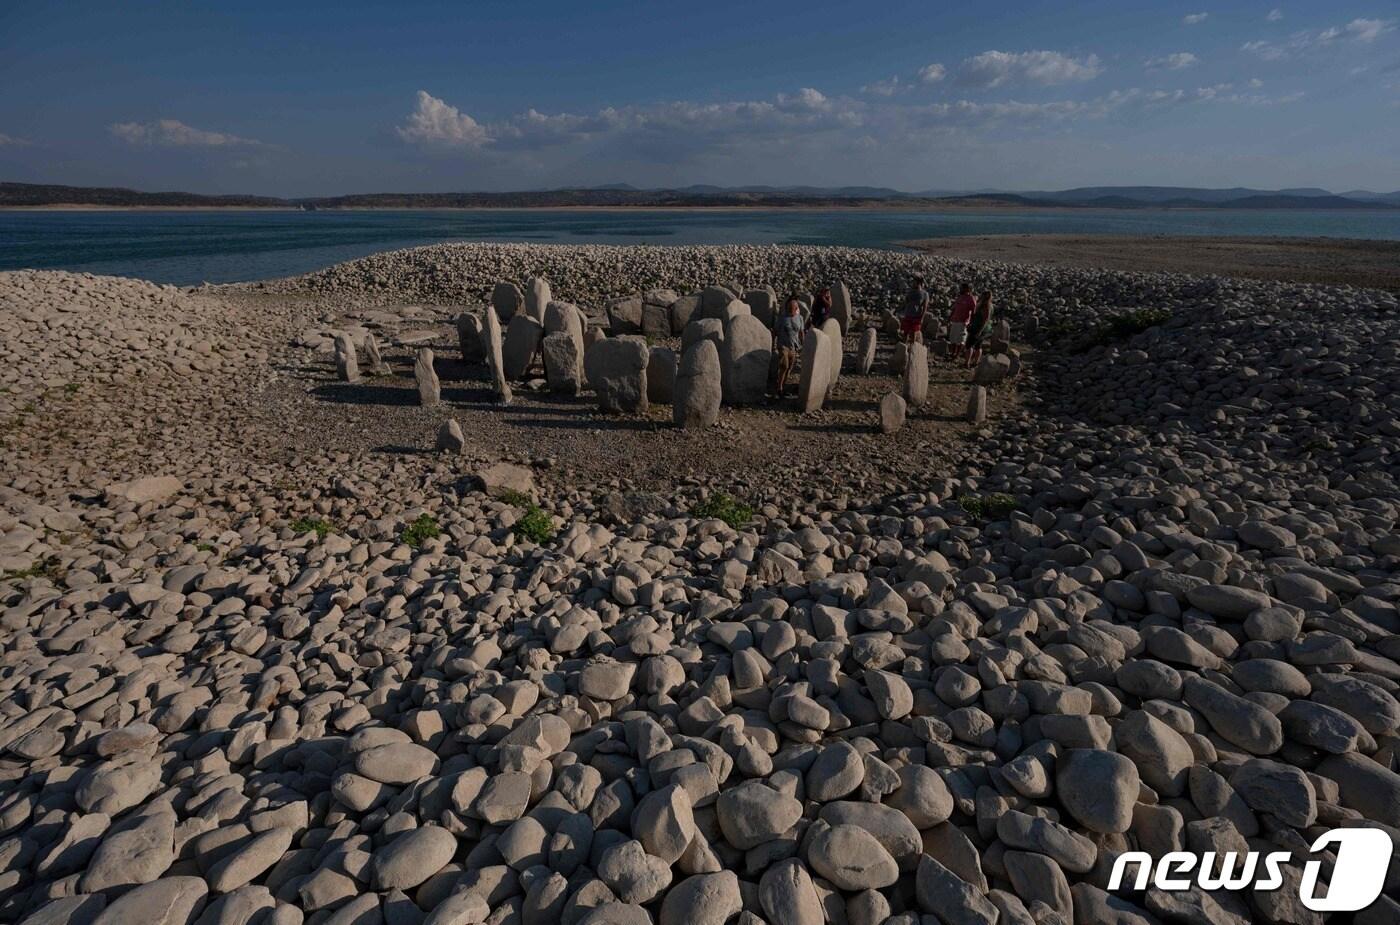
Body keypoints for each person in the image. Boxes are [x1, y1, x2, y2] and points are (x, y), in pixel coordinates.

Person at [773, 295, 805, 396]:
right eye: (789, 308)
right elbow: (775, 331)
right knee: (784, 366)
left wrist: (803, 344)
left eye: (793, 308)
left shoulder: (800, 318)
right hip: (783, 346)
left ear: (796, 309)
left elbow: (801, 332)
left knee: (789, 367)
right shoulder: (782, 318)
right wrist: (773, 344)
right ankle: (779, 388)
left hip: (793, 347)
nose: (790, 310)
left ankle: (783, 383)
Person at [965, 290, 995, 369]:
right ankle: (975, 362)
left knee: (969, 345)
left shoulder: (986, 306)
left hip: (978, 328)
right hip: (984, 328)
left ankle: (967, 362)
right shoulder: (990, 305)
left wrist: (980, 331)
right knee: (978, 346)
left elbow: (985, 319)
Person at [947, 282, 976, 361]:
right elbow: (954, 308)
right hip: (955, 320)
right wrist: (950, 318)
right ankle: (952, 352)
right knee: (953, 338)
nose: (960, 289)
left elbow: (973, 311)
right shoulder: (960, 297)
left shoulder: (970, 298)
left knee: (960, 339)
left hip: (963, 321)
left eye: (962, 288)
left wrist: (971, 322)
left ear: (966, 289)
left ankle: (957, 354)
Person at [900, 275, 929, 343]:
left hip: (916, 316)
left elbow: (925, 307)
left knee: (913, 333)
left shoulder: (925, 294)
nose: (913, 283)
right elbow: (906, 302)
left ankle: (912, 349)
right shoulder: (910, 291)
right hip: (908, 314)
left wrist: (922, 318)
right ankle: (905, 347)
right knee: (905, 332)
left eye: (914, 282)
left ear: (919, 283)